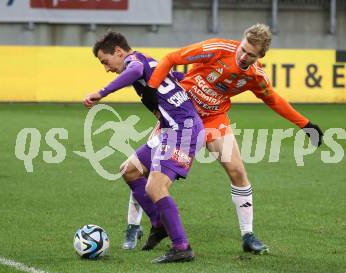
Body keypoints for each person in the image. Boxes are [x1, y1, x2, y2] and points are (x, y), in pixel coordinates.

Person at [122, 23, 323, 254]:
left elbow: (273, 99)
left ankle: (248, 235)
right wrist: (152, 90)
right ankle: (133, 226)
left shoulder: (256, 76)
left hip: (213, 119)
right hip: (181, 114)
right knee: (142, 168)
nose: (244, 56)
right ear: (242, 41)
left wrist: (305, 125)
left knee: (237, 171)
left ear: (261, 56)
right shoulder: (217, 49)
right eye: (244, 49)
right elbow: (171, 58)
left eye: (251, 54)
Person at [83, 31, 205, 263]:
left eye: (105, 62)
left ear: (119, 51)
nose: (107, 68)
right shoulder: (149, 59)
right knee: (129, 170)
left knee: (155, 187)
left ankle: (182, 247)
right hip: (170, 129)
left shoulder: (135, 62)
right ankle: (158, 224)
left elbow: (135, 71)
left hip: (182, 130)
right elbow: (172, 78)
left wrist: (102, 92)